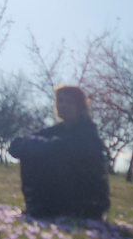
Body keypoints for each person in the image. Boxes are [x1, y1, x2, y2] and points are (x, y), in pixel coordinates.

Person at [8, 85, 110, 220]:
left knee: (37, 150)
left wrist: (33, 145)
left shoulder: (87, 133)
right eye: (60, 101)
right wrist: (30, 145)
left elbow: (60, 150)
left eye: (69, 102)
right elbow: (15, 146)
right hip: (58, 200)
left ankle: (44, 210)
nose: (63, 105)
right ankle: (36, 208)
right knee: (31, 150)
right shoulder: (56, 130)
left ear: (80, 106)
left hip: (85, 203)